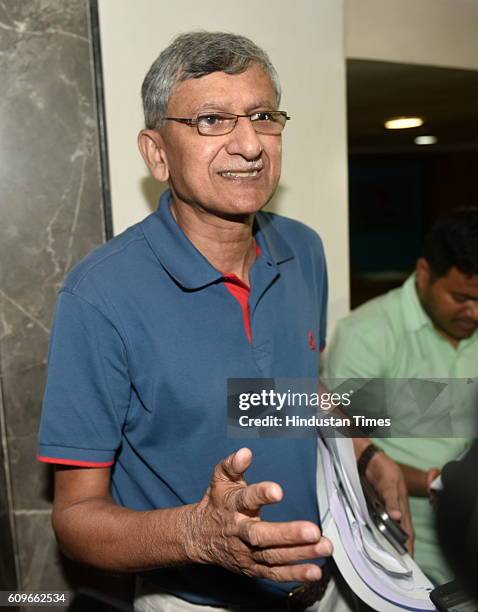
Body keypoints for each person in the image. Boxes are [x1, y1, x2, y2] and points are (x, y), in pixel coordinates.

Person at [38, 31, 411, 611]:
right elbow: (75, 518)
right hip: (195, 601)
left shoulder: (304, 250)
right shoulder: (99, 295)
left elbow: (296, 388)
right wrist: (199, 535)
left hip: (334, 584)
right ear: (156, 152)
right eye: (212, 120)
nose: (249, 144)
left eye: (263, 116)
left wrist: (366, 451)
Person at [322, 208, 478, 585]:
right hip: (404, 550)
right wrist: (432, 482)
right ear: (424, 274)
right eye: (461, 297)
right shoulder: (368, 335)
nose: (474, 312)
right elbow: (339, 454)